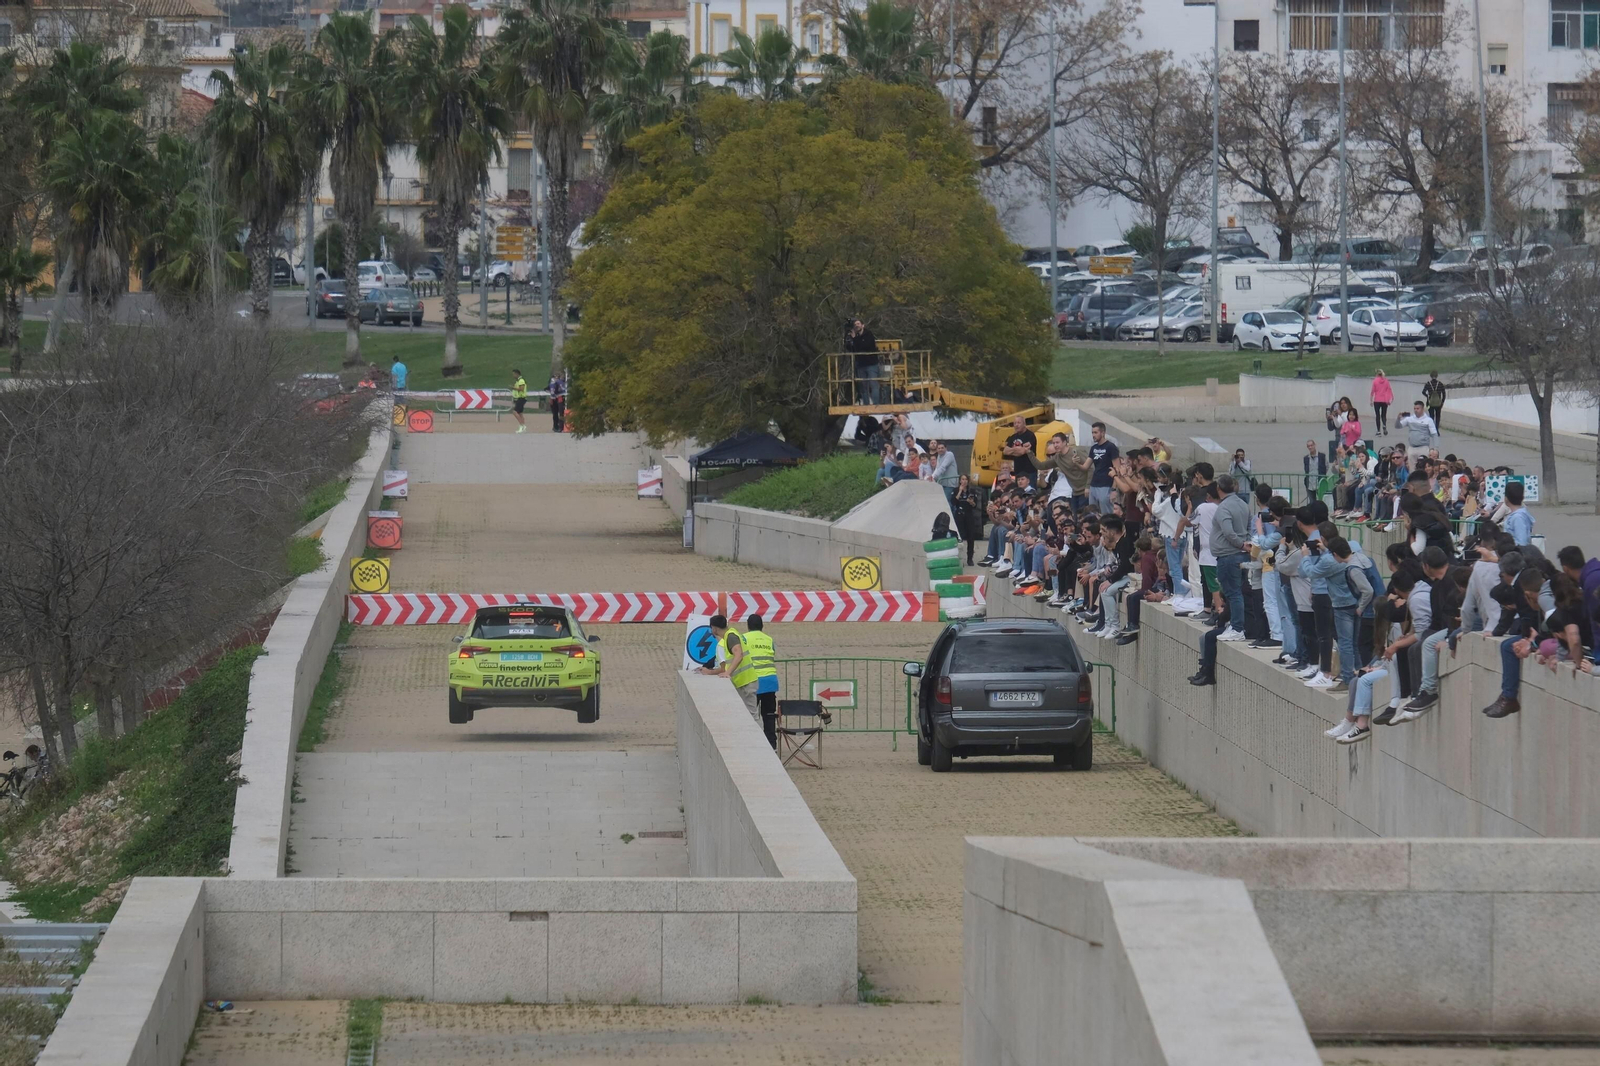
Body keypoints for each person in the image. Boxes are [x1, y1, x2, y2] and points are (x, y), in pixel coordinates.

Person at [1210, 474, 1252, 642]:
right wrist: (1245, 543)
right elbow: (1249, 525)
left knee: (1233, 593)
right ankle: (1237, 624)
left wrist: (1241, 544)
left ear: (1219, 489)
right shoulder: (1243, 504)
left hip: (1229, 555)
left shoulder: (1224, 508)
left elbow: (1228, 532)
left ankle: (1237, 627)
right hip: (1241, 555)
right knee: (1238, 592)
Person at [741, 614, 780, 749]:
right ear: (762, 625)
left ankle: (752, 744)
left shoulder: (744, 638)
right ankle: (772, 745)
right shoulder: (769, 639)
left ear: (748, 625)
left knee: (750, 715)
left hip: (753, 681)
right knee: (769, 716)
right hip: (770, 682)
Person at [1087, 421, 1119, 514]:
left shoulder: (1110, 447)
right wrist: (1075, 463)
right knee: (1092, 513)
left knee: (1106, 514)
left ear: (1103, 433)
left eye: (1095, 432)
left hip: (1106, 484)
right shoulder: (1093, 448)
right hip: (1094, 484)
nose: (1093, 435)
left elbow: (1117, 468)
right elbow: (1085, 466)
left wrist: (1114, 489)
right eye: (1092, 432)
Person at [847, 320, 881, 404]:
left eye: (858, 324)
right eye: (855, 325)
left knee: (873, 384)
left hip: (871, 364)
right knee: (863, 386)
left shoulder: (868, 334)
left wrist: (855, 339)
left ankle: (876, 404)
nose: (856, 326)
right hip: (861, 365)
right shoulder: (855, 337)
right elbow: (852, 349)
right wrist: (849, 340)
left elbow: (865, 346)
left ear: (863, 325)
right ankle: (866, 404)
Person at [952, 475, 984, 564]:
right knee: (959, 536)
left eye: (966, 479)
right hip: (959, 514)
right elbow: (954, 502)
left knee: (971, 536)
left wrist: (972, 502)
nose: (964, 481)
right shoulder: (956, 490)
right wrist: (960, 491)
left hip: (969, 514)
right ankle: (958, 556)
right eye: (962, 479)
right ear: (960, 481)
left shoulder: (972, 491)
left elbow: (975, 505)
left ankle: (970, 558)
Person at [1002, 415, 1038, 483]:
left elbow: (1022, 452)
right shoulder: (1012, 437)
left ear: (1024, 424)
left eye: (1019, 423)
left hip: (1030, 472)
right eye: (1015, 423)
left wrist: (1012, 450)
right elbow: (1005, 451)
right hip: (1018, 472)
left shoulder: (1030, 435)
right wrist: (1016, 449)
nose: (1016, 425)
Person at [1501, 480, 1534, 546]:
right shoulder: (1518, 515)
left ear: (1506, 498)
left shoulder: (1518, 517)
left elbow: (1522, 542)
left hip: (1516, 554)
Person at [929, 439, 959, 503]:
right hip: (942, 483)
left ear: (946, 448)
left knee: (947, 502)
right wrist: (932, 476)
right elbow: (937, 468)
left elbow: (943, 467)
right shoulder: (939, 456)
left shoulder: (949, 454)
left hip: (950, 484)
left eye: (942, 448)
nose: (940, 450)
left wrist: (934, 477)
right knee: (942, 501)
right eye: (939, 448)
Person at [1370, 370, 1393, 435]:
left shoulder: (1375, 381)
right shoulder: (1386, 381)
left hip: (1377, 400)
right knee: (1384, 414)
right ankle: (1384, 425)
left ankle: (1378, 431)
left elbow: (1372, 391)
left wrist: (1371, 400)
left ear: (1377, 375)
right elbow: (1389, 390)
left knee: (1377, 415)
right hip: (1384, 400)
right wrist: (1389, 399)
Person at [509, 368, 528, 433]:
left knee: (515, 412)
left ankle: (521, 425)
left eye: (514, 374)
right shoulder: (518, 381)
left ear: (517, 374)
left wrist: (513, 387)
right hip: (519, 398)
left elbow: (521, 389)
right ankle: (523, 426)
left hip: (521, 398)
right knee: (520, 413)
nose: (513, 376)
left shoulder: (521, 381)